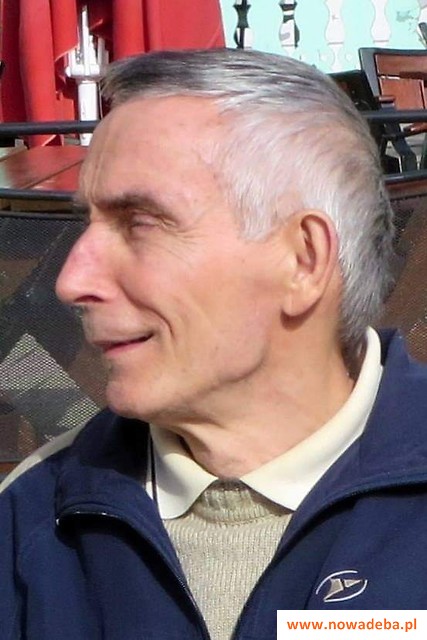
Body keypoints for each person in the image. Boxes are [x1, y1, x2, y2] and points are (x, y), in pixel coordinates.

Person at [1, 48, 426, 639]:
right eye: (87, 223)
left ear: (302, 260)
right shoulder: (32, 521)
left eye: (141, 223)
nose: (73, 281)